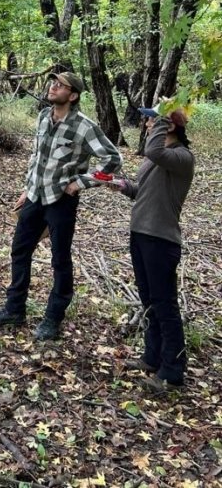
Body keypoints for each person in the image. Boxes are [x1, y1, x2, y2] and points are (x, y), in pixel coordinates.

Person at [0, 71, 122, 340]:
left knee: (60, 260)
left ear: (73, 95)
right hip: (35, 197)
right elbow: (38, 157)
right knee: (19, 252)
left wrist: (81, 182)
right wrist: (27, 188)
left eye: (61, 85)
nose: (53, 86)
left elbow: (113, 160)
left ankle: (53, 318)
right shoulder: (43, 117)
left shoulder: (84, 126)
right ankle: (14, 310)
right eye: (53, 83)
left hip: (61, 201)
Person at [114, 105, 194, 394]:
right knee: (148, 301)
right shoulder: (158, 159)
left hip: (161, 240)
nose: (147, 124)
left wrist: (163, 116)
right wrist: (122, 186)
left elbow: (155, 151)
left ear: (169, 126)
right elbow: (143, 192)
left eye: (153, 120)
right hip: (141, 234)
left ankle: (172, 372)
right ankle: (152, 357)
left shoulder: (182, 157)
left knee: (164, 304)